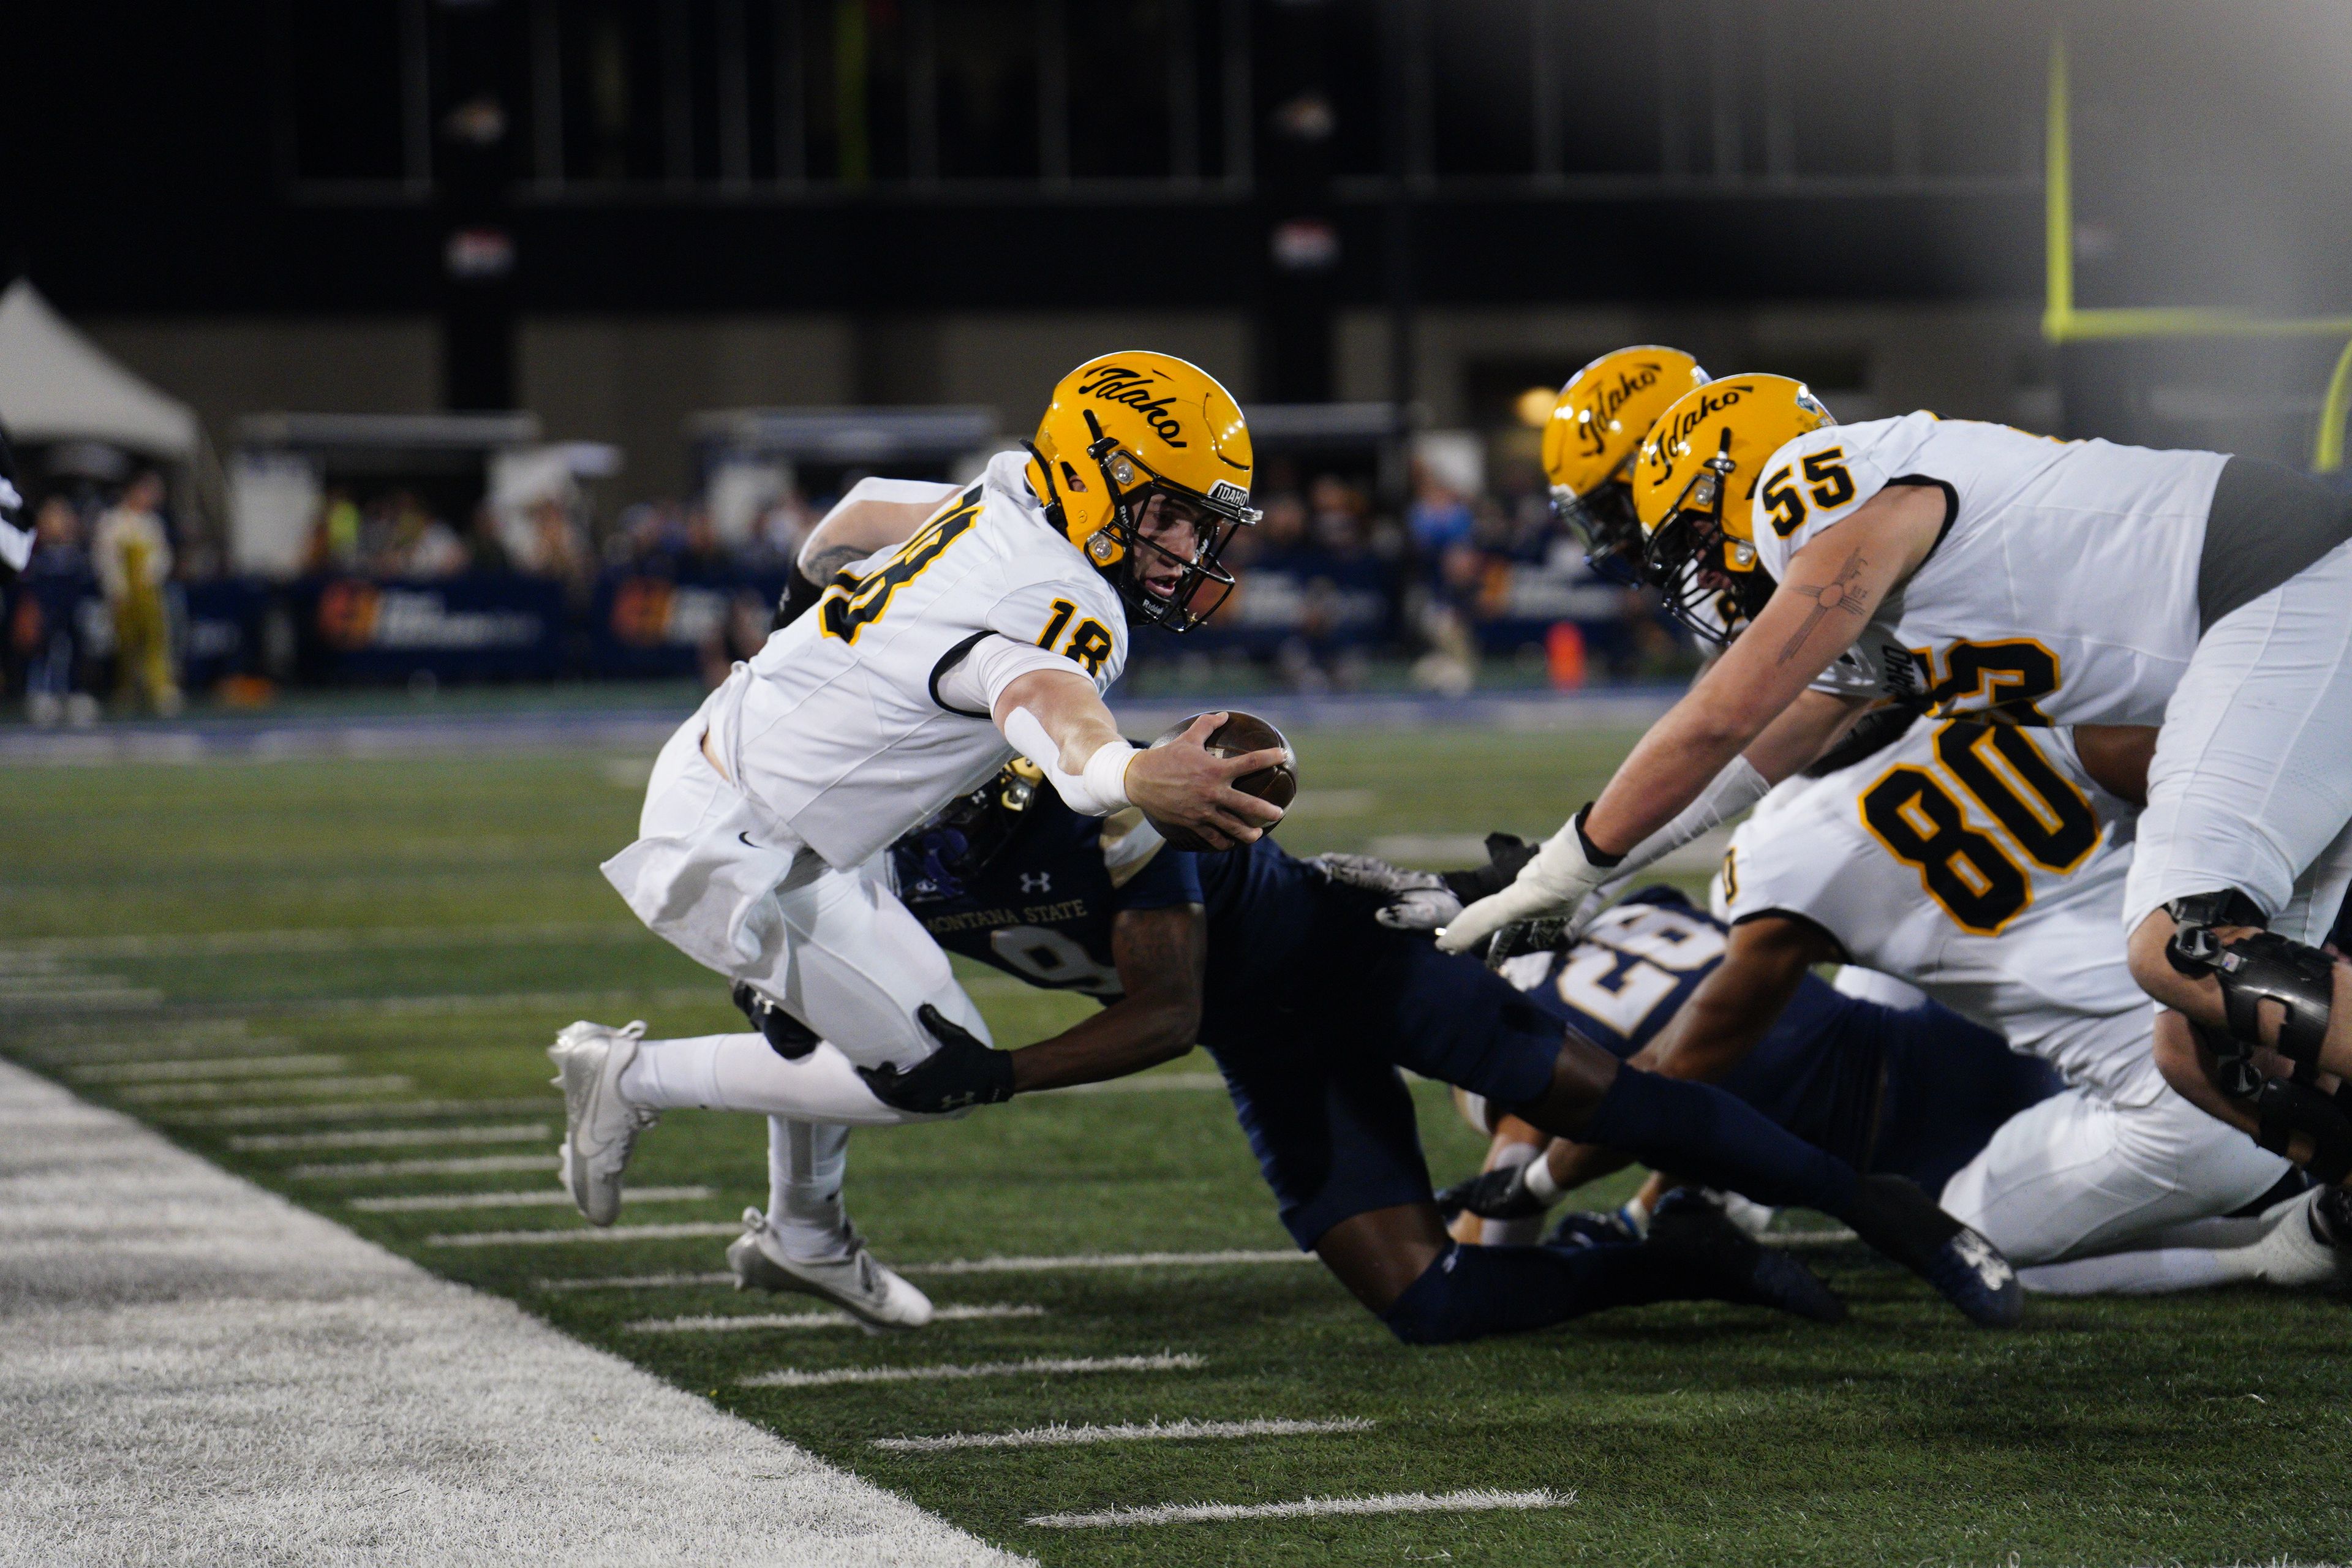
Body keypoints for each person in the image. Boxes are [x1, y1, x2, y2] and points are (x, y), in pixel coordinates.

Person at [1438, 377, 2352, 1191]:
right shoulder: (1865, 604)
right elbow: (1746, 755)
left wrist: (1568, 865)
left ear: (1737, 486)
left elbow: (1721, 715)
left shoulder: (1819, 490)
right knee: (2199, 1056)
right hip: (2267, 633)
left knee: (2177, 947)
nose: (1704, 577)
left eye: (1700, 543)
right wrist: (1579, 868)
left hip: (2282, 586)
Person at [551, 353, 1284, 1330]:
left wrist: (796, 619)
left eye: (1201, 521)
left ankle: (803, 1238)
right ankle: (628, 1077)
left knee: (823, 1015)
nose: (1186, 547)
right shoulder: (1064, 604)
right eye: (1166, 514)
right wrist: (1132, 775)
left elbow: (853, 518)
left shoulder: (1019, 489)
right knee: (932, 1074)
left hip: (779, 798)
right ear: (1090, 474)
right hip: (739, 842)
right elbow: (1046, 710)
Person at [845, 761, 2032, 1337]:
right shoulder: (877, 860)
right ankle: (1681, 1254)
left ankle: (1887, 1210)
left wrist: (1001, 1072)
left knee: (1614, 1101)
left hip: (1350, 961)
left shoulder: (1104, 811)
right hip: (1268, 1041)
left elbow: (1164, 1011)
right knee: (1429, 1304)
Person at [91, 472, 180, 715]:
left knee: (155, 639)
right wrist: (115, 588)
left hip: (148, 592)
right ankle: (127, 689)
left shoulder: (153, 523)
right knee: (125, 643)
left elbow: (162, 557)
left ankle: (160, 688)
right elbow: (105, 559)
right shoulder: (112, 522)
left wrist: (151, 577)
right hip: (123, 592)